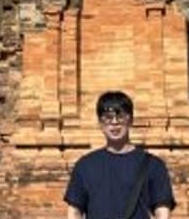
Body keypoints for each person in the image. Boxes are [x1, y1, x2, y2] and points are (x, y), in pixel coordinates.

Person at [65, 91, 176, 219]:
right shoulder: (85, 166)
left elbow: (162, 211)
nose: (114, 122)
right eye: (108, 117)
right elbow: (74, 211)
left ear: (131, 120)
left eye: (120, 116)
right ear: (100, 123)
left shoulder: (153, 165)